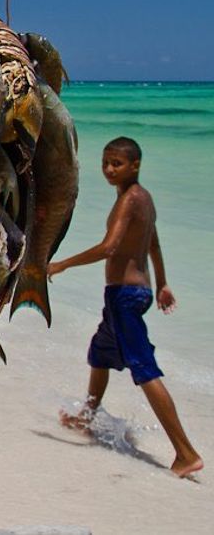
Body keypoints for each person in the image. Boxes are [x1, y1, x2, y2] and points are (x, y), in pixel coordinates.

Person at [48, 136, 203, 478]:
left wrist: (63, 264)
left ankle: (185, 452)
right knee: (100, 354)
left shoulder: (129, 201)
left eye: (117, 163)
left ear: (135, 165)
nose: (109, 169)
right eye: (105, 163)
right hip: (134, 293)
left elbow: (109, 247)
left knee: (144, 369)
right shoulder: (142, 199)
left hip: (124, 296)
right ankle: (86, 417)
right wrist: (161, 283)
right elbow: (154, 242)